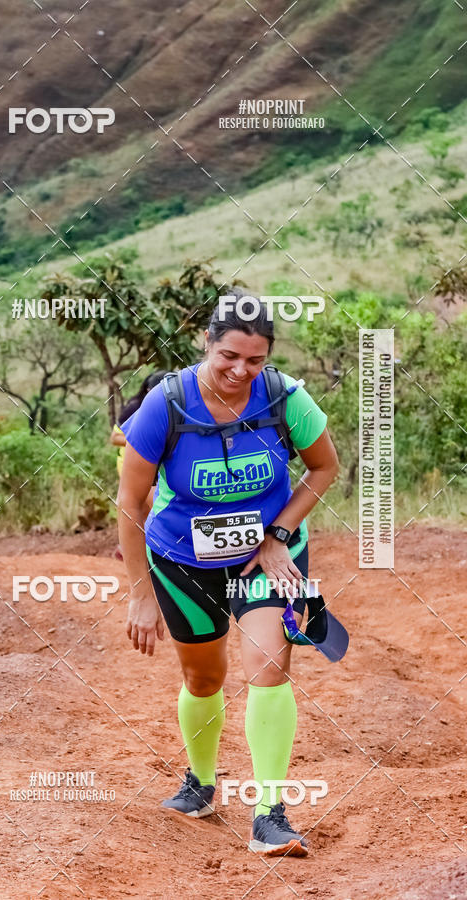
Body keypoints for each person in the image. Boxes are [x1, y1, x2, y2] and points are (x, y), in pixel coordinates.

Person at [117, 294, 339, 856]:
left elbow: (324, 466)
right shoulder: (163, 406)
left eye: (254, 361)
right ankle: (202, 783)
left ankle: (270, 813)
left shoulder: (286, 398)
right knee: (204, 679)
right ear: (207, 345)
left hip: (269, 559)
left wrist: (278, 535)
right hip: (182, 560)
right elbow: (130, 501)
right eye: (229, 357)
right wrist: (141, 596)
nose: (241, 371)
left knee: (267, 666)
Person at [110, 371, 167, 558]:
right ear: (149, 390)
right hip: (130, 463)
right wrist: (145, 439)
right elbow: (115, 437)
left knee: (142, 508)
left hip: (158, 465)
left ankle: (127, 548)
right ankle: (152, 549)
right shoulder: (135, 407)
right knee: (152, 504)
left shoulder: (173, 406)